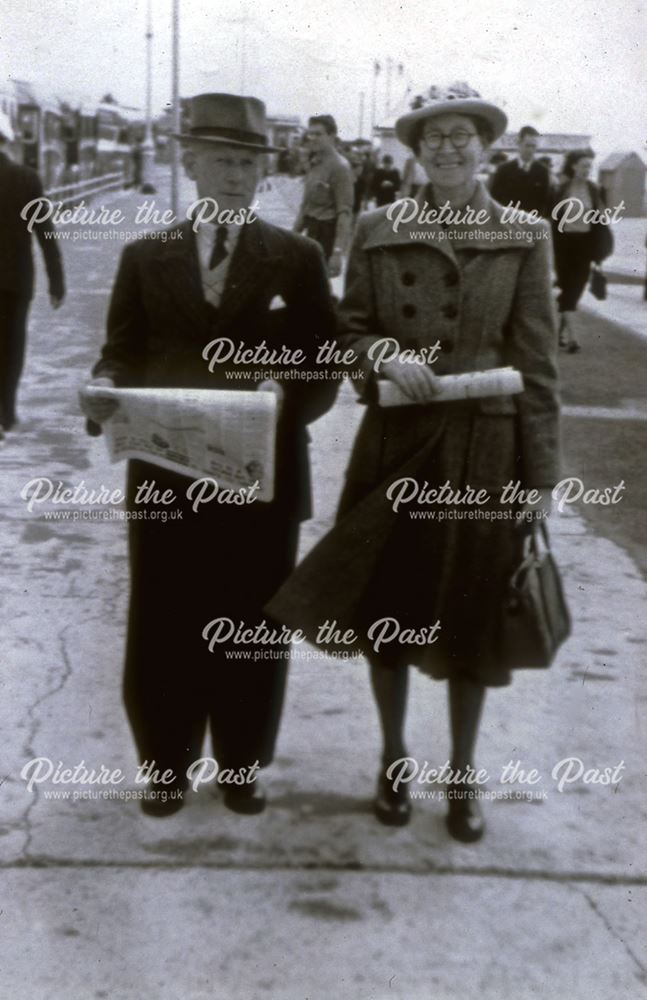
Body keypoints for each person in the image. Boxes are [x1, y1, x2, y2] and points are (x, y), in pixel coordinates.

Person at [267, 84, 559, 843]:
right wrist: (386, 358)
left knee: (471, 616)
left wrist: (540, 481)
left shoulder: (524, 233)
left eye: (463, 135)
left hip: (485, 453)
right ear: (415, 148)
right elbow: (348, 332)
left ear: (486, 146)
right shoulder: (375, 225)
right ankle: (393, 760)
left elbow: (536, 364)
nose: (449, 148)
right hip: (399, 445)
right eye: (433, 137)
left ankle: (461, 776)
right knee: (387, 613)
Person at [79, 93, 337, 817]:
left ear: (263, 170)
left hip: (261, 479)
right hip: (166, 475)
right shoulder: (144, 256)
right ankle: (164, 767)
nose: (235, 174)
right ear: (187, 161)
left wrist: (281, 393)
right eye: (221, 158)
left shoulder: (295, 257)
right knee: (164, 620)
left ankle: (241, 767)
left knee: (253, 624)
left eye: (248, 161)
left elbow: (323, 365)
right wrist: (102, 389)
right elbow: (119, 354)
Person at [0, 110, 65, 439]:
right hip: (16, 281)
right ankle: (6, 412)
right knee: (12, 346)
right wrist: (57, 280)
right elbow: (46, 232)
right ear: (7, 140)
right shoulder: (27, 178)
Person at [551, 149, 613, 352]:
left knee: (575, 289)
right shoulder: (561, 189)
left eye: (590, 166)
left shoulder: (594, 189)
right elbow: (551, 220)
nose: (588, 170)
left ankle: (561, 331)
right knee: (569, 289)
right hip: (564, 246)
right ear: (574, 166)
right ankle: (573, 338)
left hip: (585, 246)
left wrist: (600, 249)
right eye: (584, 165)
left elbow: (601, 219)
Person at [293, 114, 353, 277]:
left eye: (318, 134)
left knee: (316, 286)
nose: (313, 138)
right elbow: (305, 206)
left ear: (332, 136)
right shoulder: (315, 162)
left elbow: (345, 213)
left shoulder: (340, 167)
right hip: (311, 230)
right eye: (311, 134)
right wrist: (293, 235)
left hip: (327, 234)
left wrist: (337, 252)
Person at [490, 125, 551, 216]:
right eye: (527, 145)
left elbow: (545, 201)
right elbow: (494, 199)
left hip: (531, 223)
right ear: (519, 143)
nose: (530, 150)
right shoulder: (504, 169)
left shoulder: (543, 171)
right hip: (507, 222)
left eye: (534, 146)